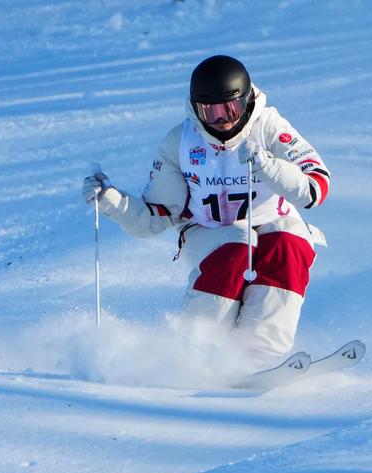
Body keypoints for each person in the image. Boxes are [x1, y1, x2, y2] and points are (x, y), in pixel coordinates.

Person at [82, 54, 330, 371]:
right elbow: (155, 216)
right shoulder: (182, 143)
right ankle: (195, 353)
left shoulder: (269, 128)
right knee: (238, 246)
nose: (224, 119)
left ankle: (257, 359)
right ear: (196, 109)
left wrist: (270, 167)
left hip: (273, 220)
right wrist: (110, 201)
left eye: (232, 108)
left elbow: (315, 189)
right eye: (210, 112)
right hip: (209, 231)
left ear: (247, 100)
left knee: (290, 246)